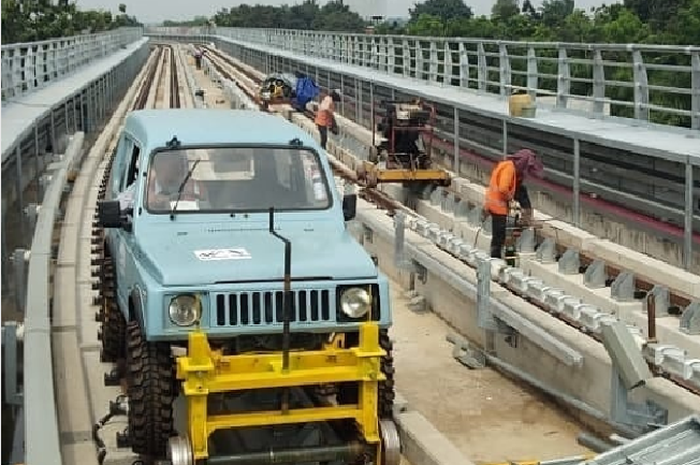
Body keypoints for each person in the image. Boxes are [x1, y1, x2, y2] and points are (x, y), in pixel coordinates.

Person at [483, 149, 544, 258]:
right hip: (497, 205)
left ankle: (526, 218)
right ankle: (495, 258)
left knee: (522, 191)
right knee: (499, 235)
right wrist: (511, 199)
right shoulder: (509, 169)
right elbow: (503, 188)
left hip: (497, 202)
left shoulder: (509, 167)